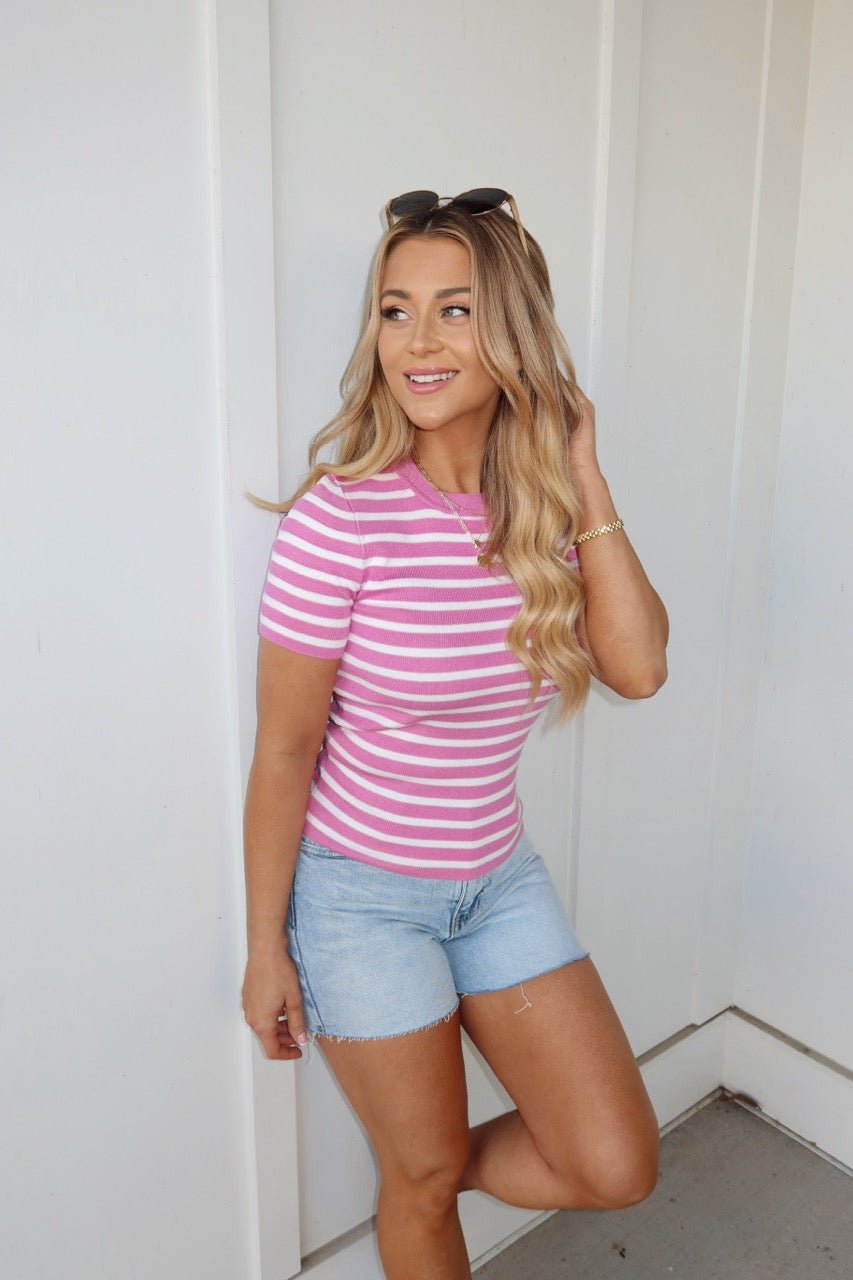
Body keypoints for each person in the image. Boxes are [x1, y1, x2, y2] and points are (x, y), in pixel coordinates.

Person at [241, 188, 669, 1280]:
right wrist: (264, 949)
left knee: (612, 1161)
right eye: (394, 310)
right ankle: (419, 1172)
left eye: (454, 310)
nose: (416, 343)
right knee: (423, 1183)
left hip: (497, 881)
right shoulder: (340, 519)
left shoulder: (542, 513)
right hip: (359, 899)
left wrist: (581, 470)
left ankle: (421, 1163)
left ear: (513, 332)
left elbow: (639, 667)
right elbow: (285, 753)